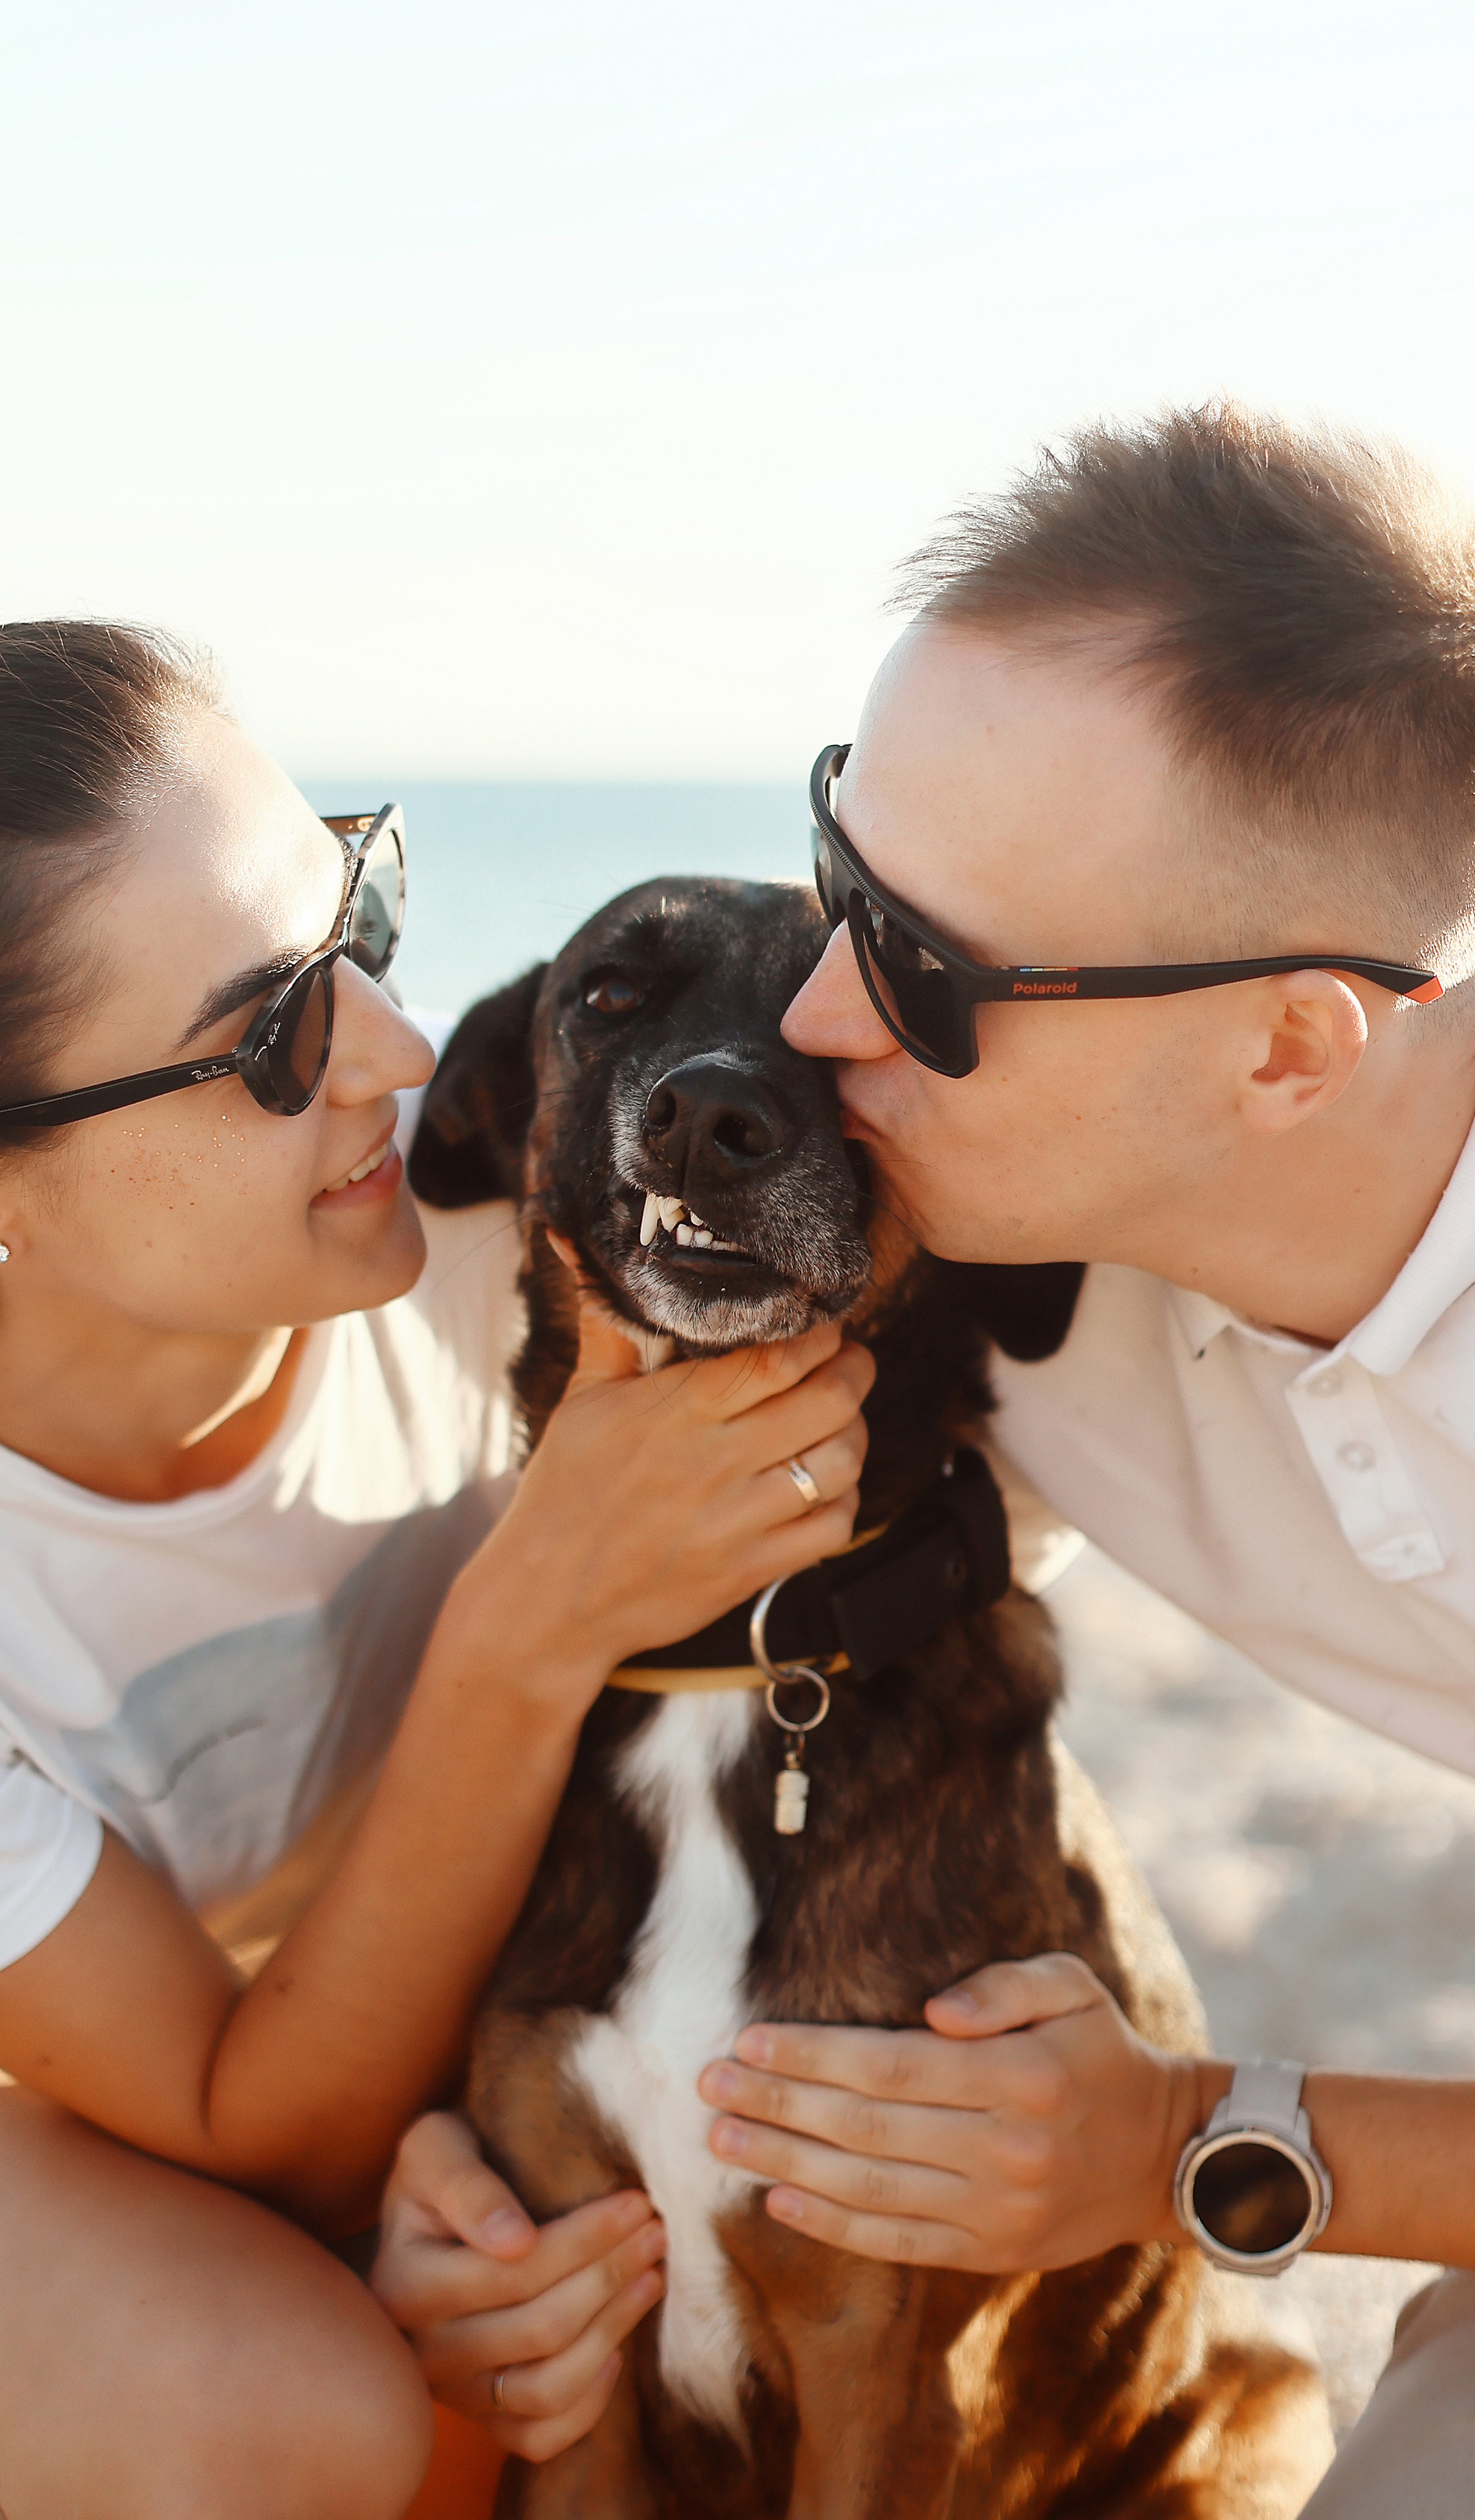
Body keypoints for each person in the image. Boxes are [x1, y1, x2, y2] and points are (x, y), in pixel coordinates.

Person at [381, 409, 1475, 2512]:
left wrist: (1187, 2140)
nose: (812, 1026)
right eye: (840, 888)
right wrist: (449, 2166)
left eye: (931, 970)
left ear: (1284, 1047)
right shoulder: (985, 1244)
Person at [0, 622, 873, 2519]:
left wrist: (424, 2169)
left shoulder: (469, 1214)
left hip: (249, 2025)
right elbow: (252, 2123)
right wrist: (528, 1627)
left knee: (485, 2369)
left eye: (357, 917)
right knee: (265, 2413)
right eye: (272, 1036)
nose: (397, 1046)